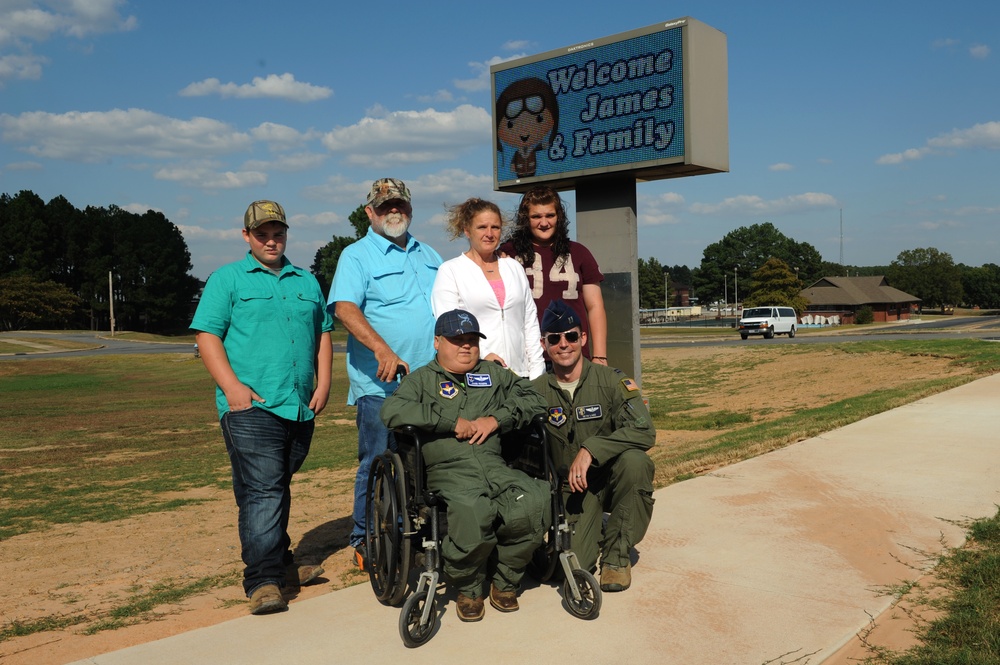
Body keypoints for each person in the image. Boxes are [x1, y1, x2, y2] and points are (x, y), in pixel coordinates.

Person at [191, 200, 333, 615]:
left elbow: (323, 331)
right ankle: (263, 581)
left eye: (278, 233)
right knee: (264, 490)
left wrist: (324, 382)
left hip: (299, 405)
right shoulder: (227, 279)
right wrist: (232, 387)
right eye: (262, 234)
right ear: (246, 236)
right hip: (252, 405)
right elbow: (207, 335)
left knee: (269, 488)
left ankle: (282, 564)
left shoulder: (306, 281)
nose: (271, 241)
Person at [381, 309, 550, 622]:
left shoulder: (493, 374)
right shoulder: (421, 380)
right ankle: (470, 587)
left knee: (534, 499)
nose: (466, 347)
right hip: (450, 471)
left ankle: (504, 580)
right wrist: (449, 422)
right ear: (437, 342)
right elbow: (392, 410)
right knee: (474, 510)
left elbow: (535, 399)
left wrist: (495, 419)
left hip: (494, 464)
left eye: (472, 340)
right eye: (457, 340)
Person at [327, 178, 442, 569]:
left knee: (427, 462)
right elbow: (344, 308)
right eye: (386, 205)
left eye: (402, 205)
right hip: (381, 385)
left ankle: (418, 533)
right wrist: (382, 349)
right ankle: (366, 540)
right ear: (370, 212)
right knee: (378, 460)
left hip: (431, 382)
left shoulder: (429, 254)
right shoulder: (356, 256)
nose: (396, 211)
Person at [531, 299, 655, 592]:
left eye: (572, 336)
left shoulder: (611, 381)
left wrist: (592, 449)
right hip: (570, 490)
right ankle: (594, 529)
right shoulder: (533, 392)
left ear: (583, 338)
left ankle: (616, 557)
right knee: (573, 568)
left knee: (636, 463)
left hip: (611, 479)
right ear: (543, 344)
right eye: (555, 338)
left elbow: (644, 431)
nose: (564, 344)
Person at [432, 197, 544, 380]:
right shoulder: (450, 271)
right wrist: (482, 359)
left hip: (521, 375)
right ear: (467, 231)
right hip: (477, 375)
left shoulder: (514, 267)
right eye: (482, 227)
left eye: (496, 227)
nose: (490, 234)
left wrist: (537, 373)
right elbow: (450, 330)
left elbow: (530, 323)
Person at [500, 185, 609, 364]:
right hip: (524, 358)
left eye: (550, 215)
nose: (544, 223)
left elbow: (595, 306)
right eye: (536, 216)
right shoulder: (507, 253)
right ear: (526, 219)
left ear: (559, 217)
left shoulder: (579, 252)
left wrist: (599, 356)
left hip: (572, 355)